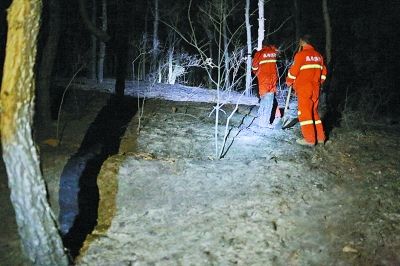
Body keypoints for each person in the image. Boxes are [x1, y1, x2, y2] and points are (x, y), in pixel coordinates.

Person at [285, 34, 327, 146]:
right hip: (316, 88)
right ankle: (321, 138)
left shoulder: (300, 55)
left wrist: (289, 81)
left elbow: (293, 72)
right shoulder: (319, 56)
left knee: (304, 114)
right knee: (314, 113)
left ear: (303, 42)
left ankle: (310, 140)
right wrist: (317, 83)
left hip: (304, 88)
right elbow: (323, 74)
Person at [252, 40, 281, 128]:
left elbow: (254, 67)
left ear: (263, 45)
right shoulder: (273, 52)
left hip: (264, 79)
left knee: (264, 99)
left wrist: (257, 74)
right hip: (273, 79)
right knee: (271, 98)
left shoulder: (259, 53)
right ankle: (277, 115)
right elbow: (277, 53)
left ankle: (263, 122)